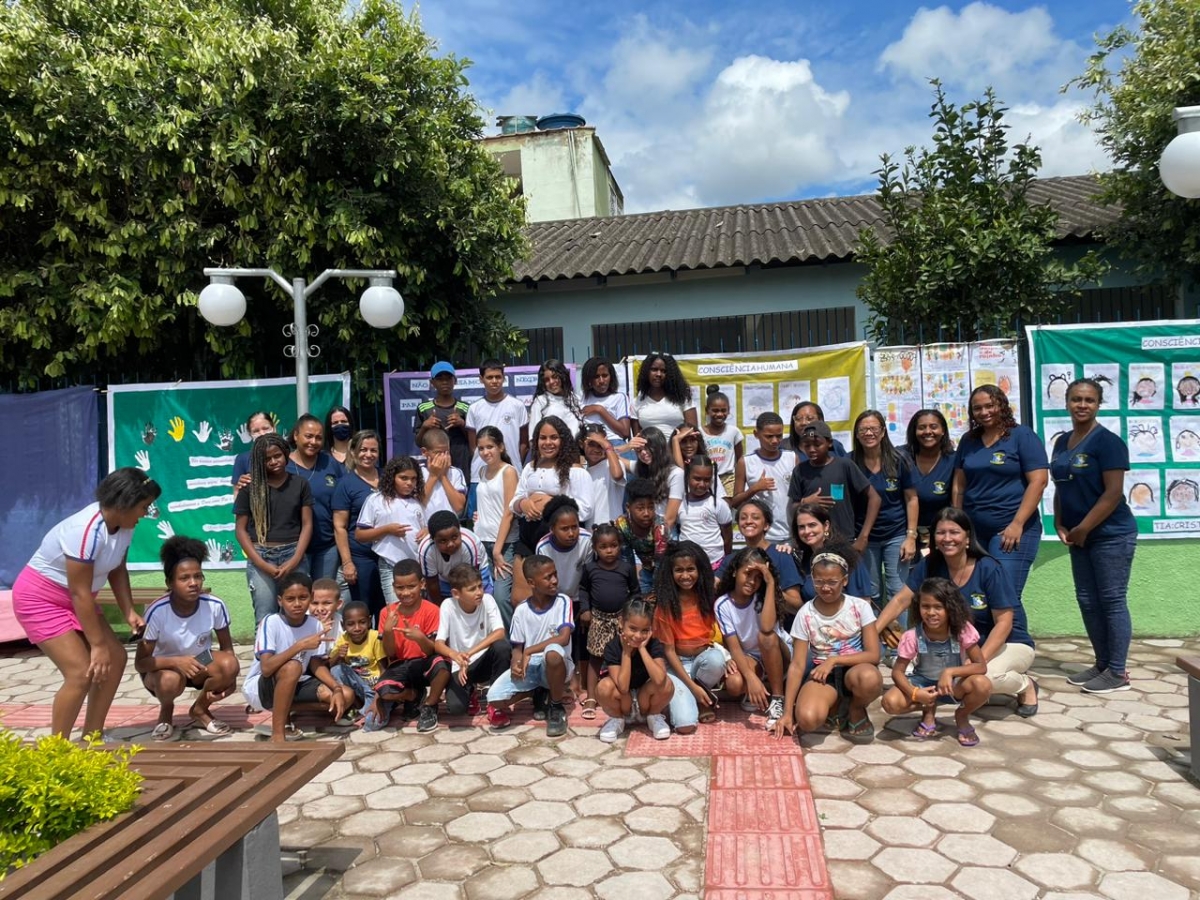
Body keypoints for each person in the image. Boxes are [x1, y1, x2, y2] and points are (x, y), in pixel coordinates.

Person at [12, 468, 160, 739]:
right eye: (143, 507)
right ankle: (57, 751)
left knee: (115, 659)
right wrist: (98, 646)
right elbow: (79, 593)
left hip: (77, 599)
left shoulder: (124, 526)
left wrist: (128, 610)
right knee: (81, 672)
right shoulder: (85, 531)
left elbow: (117, 568)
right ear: (124, 503)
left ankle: (93, 738)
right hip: (40, 599)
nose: (145, 513)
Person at [875, 507, 1039, 716]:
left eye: (954, 532)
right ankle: (940, 699)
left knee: (987, 677)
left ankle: (1025, 685)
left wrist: (978, 660)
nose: (947, 538)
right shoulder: (930, 564)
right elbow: (900, 600)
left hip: (1008, 643)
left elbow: (1004, 623)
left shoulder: (988, 568)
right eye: (941, 533)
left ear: (967, 537)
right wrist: (872, 633)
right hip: (958, 646)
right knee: (902, 698)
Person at [1051, 378, 1137, 694]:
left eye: (1089, 400)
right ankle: (1102, 664)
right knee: (1087, 600)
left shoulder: (1108, 442)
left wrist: (1085, 527)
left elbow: (1113, 493)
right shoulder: (1062, 443)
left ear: (1098, 404)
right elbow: (1060, 486)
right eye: (1076, 399)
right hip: (1078, 536)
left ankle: (1117, 672)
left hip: (1112, 534)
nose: (1082, 405)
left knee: (1111, 600)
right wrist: (1060, 524)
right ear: (1067, 403)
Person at [772, 552, 882, 744]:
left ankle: (856, 708)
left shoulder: (859, 607)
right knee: (807, 719)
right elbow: (797, 665)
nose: (825, 587)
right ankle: (835, 704)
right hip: (822, 675)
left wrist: (834, 660)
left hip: (855, 668)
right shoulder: (805, 613)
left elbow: (873, 655)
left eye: (832, 582)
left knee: (870, 679)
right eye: (819, 581)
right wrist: (787, 712)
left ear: (845, 580)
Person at [136, 536, 238, 741]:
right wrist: (177, 661)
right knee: (170, 680)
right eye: (184, 578)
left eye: (198, 576)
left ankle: (200, 709)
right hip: (165, 669)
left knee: (229, 664)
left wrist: (231, 680)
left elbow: (227, 650)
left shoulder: (215, 605)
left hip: (200, 662)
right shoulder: (157, 611)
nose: (193, 583)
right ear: (170, 583)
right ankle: (165, 714)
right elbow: (141, 663)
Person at [952, 384, 1048, 600]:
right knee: (980, 595)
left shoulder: (1021, 435)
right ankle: (990, 636)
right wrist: (959, 524)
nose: (984, 412)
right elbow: (959, 485)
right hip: (976, 534)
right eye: (978, 408)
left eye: (990, 406)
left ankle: (1017, 636)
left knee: (1004, 595)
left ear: (1002, 406)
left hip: (1011, 531)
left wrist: (1017, 524)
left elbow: (1039, 481)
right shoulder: (969, 440)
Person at [242, 572, 354, 741]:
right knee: (293, 666)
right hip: (261, 688)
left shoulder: (314, 624)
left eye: (303, 598)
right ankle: (278, 734)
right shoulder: (271, 622)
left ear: (310, 598)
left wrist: (336, 688)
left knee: (346, 695)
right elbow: (266, 668)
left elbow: (316, 663)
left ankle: (286, 711)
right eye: (290, 599)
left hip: (296, 681)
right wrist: (299, 646)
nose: (297, 604)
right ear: (280, 601)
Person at [881, 577, 990, 747]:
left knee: (982, 685)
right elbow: (897, 672)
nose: (931, 612)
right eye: (925, 606)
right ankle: (928, 710)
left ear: (951, 608)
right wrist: (915, 693)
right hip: (923, 684)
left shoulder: (962, 630)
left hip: (953, 686)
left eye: (938, 607)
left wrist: (950, 672)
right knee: (890, 702)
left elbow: (981, 666)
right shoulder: (913, 636)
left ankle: (961, 716)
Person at [486, 555, 574, 737]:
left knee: (552, 653)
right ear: (531, 582)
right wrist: (516, 664)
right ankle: (537, 692)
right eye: (548, 577)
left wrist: (530, 650)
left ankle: (556, 708)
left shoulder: (563, 601)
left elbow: (564, 638)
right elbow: (517, 648)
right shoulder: (521, 610)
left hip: (556, 664)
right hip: (531, 666)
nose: (554, 580)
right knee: (494, 698)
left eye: (555, 575)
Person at [234, 434, 313, 623]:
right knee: (265, 618)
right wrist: (262, 564)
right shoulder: (250, 488)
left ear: (285, 454)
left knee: (299, 615)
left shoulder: (300, 484)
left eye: (277, 456)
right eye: (267, 459)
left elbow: (307, 524)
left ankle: (299, 653)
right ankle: (264, 653)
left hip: (294, 554)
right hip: (261, 556)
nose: (273, 461)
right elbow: (240, 530)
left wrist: (295, 560)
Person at [715, 548, 790, 729]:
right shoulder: (722, 605)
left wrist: (770, 584)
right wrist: (751, 678)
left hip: (780, 653)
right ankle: (757, 690)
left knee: (765, 637)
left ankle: (777, 699)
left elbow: (766, 629)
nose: (752, 581)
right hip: (753, 657)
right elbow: (734, 648)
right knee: (734, 684)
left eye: (758, 577)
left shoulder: (762, 596)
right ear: (734, 572)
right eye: (748, 574)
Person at [653, 541, 723, 734]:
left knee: (717, 660)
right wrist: (692, 686)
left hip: (703, 659)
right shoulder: (665, 605)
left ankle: (702, 697)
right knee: (685, 726)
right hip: (676, 663)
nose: (685, 576)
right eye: (679, 570)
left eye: (691, 569)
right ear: (670, 573)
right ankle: (695, 694)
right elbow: (668, 651)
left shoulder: (707, 595)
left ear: (699, 569)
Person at [430, 563, 512, 726]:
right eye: (472, 589)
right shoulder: (448, 606)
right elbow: (438, 644)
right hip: (460, 666)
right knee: (456, 708)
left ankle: (495, 703)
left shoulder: (488, 600)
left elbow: (499, 632)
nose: (479, 592)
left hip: (482, 661)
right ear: (456, 593)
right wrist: (457, 656)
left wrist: (469, 653)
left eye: (480, 586)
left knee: (502, 647)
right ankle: (471, 691)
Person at [851, 410, 918, 606]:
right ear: (856, 434)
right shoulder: (850, 462)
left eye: (873, 428)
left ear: (882, 432)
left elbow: (911, 498)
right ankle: (875, 636)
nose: (868, 433)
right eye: (863, 429)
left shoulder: (900, 459)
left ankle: (903, 637)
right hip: (864, 537)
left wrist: (911, 536)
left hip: (896, 534)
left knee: (898, 590)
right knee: (870, 593)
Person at [376, 560, 450, 733]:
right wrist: (387, 631)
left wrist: (420, 638)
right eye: (400, 588)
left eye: (411, 586)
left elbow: (432, 650)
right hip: (401, 664)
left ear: (422, 584)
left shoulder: (431, 610)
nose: (406, 592)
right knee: (384, 690)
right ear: (393, 587)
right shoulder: (386, 613)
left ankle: (430, 706)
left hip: (425, 662)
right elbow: (390, 653)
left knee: (442, 666)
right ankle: (413, 695)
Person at [579, 523, 640, 721]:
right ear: (595, 548)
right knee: (595, 658)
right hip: (599, 619)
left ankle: (626, 691)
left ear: (619, 545)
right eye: (603, 547)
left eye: (613, 546)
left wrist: (630, 616)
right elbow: (583, 590)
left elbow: (635, 592)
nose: (609, 551)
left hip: (621, 621)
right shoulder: (590, 569)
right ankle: (590, 696)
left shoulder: (626, 568)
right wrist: (585, 610)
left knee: (625, 656)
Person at [789, 421, 880, 555]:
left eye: (817, 444)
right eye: (807, 446)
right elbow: (793, 508)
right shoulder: (800, 471)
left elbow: (875, 499)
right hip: (813, 543)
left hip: (844, 541)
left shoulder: (845, 465)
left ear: (829, 443)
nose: (812, 449)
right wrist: (806, 502)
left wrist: (863, 537)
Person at [511, 415, 594, 556]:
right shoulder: (530, 468)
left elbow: (586, 509)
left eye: (554, 437)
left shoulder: (574, 471)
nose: (548, 442)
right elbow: (514, 501)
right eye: (543, 438)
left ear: (563, 440)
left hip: (558, 540)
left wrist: (553, 504)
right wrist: (522, 504)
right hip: (527, 533)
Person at [596, 597, 673, 743]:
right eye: (633, 629)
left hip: (646, 698)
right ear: (621, 622)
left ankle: (653, 716)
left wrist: (642, 649)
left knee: (667, 683)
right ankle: (617, 719)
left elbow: (659, 680)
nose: (638, 636)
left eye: (645, 630)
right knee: (604, 686)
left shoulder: (653, 644)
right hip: (624, 700)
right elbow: (623, 688)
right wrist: (626, 653)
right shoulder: (613, 647)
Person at [355, 455, 426, 610]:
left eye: (413, 479)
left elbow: (426, 528)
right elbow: (360, 535)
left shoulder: (417, 502)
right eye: (403, 478)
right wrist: (387, 529)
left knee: (417, 610)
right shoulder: (376, 500)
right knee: (396, 609)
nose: (409, 483)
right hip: (390, 564)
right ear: (392, 477)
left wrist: (427, 531)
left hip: (416, 565)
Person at [332, 429, 383, 614]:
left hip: (387, 557)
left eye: (373, 450)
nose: (368, 455)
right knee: (364, 610)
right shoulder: (346, 484)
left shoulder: (388, 478)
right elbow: (340, 526)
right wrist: (347, 563)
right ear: (353, 452)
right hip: (361, 558)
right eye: (363, 450)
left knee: (387, 611)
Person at [472, 425, 519, 626]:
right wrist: (478, 516)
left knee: (501, 598)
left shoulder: (509, 472)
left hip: (504, 544)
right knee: (486, 598)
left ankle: (512, 646)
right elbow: (487, 502)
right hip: (483, 541)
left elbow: (509, 512)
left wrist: (498, 550)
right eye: (481, 448)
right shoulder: (481, 471)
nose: (485, 452)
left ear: (501, 447)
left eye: (490, 447)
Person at [783, 503, 872, 608]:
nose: (807, 531)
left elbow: (863, 603)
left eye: (812, 525)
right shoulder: (802, 559)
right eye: (801, 527)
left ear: (826, 526)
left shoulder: (847, 557)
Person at [287, 414, 343, 580]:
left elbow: (343, 498)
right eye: (308, 436)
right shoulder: (282, 465)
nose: (313, 442)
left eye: (319, 438)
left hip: (327, 547)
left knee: (323, 599)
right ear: (296, 436)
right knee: (297, 600)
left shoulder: (329, 462)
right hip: (293, 548)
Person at [732, 412, 795, 543]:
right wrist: (754, 489)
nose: (775, 441)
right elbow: (735, 502)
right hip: (761, 537)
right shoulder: (746, 462)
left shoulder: (792, 458)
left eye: (779, 436)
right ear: (756, 434)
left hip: (790, 535)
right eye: (769, 436)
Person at [466, 359, 529, 484]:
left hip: (512, 473)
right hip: (480, 476)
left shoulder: (517, 406)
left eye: (498, 377)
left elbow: (524, 444)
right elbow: (473, 446)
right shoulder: (474, 408)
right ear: (481, 379)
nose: (494, 381)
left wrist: (514, 463)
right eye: (489, 377)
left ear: (503, 378)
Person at [328, 600, 387, 729]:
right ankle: (356, 705)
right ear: (343, 625)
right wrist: (338, 655)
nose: (357, 628)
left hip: (375, 689)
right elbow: (329, 666)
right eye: (350, 624)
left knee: (372, 724)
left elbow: (385, 669)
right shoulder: (343, 639)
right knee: (337, 669)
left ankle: (367, 710)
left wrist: (378, 698)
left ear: (370, 621)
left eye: (362, 622)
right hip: (358, 686)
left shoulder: (375, 637)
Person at [903, 409, 956, 549]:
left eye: (933, 426)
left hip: (941, 536)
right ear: (914, 431)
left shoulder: (953, 460)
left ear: (943, 430)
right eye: (921, 427)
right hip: (904, 535)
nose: (927, 431)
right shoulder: (901, 456)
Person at [418, 510, 492, 606]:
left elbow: (471, 580)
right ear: (433, 539)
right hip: (443, 579)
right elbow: (432, 585)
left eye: (454, 537)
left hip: (475, 574)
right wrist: (441, 609)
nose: (450, 544)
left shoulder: (469, 545)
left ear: (460, 532)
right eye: (443, 541)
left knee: (482, 604)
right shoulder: (426, 550)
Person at [414, 361, 472, 480]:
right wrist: (425, 427)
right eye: (440, 379)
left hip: (461, 461)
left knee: (460, 496)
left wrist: (462, 424)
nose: (444, 382)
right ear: (432, 383)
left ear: (455, 381)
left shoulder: (465, 407)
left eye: (448, 378)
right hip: (434, 464)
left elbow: (473, 441)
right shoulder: (424, 408)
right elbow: (419, 442)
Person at [676, 453, 733, 567]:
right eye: (697, 479)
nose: (702, 484)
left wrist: (725, 565)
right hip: (688, 564)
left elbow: (727, 538)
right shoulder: (679, 503)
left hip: (715, 563)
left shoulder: (718, 504)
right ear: (687, 476)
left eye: (707, 480)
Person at [614, 477, 669, 594]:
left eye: (650, 507)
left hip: (665, 572)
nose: (646, 513)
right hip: (646, 571)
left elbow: (661, 564)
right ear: (628, 507)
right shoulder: (622, 525)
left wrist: (655, 594)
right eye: (640, 508)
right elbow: (627, 560)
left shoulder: (660, 527)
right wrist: (633, 590)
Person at [630, 427, 683, 534]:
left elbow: (670, 519)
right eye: (639, 450)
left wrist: (657, 541)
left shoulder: (676, 473)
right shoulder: (641, 468)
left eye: (648, 448)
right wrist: (627, 446)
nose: (643, 453)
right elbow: (615, 457)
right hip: (644, 532)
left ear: (659, 447)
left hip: (665, 534)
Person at [630, 352, 697, 435]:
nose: (659, 374)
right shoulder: (637, 402)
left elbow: (692, 431)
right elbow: (637, 438)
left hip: (677, 447)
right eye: (654, 369)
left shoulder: (683, 398)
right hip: (649, 447)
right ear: (646, 372)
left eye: (663, 371)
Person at [581, 424, 626, 526]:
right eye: (592, 444)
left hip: (613, 530)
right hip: (591, 532)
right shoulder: (583, 472)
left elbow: (617, 475)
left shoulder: (612, 464)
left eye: (600, 445)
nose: (596, 449)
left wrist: (607, 447)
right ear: (582, 444)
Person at [701, 388, 743, 497]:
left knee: (730, 506)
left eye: (723, 410)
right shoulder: (700, 433)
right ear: (707, 410)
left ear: (729, 410)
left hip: (728, 478)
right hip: (707, 478)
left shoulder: (734, 431)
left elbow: (739, 459)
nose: (719, 414)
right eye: (715, 410)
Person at [528, 358, 584, 438]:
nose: (551, 382)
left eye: (555, 377)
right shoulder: (540, 402)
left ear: (563, 376)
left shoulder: (575, 399)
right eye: (547, 380)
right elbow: (533, 437)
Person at [420, 427, 467, 518]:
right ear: (424, 452)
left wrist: (443, 476)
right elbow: (418, 504)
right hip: (424, 526)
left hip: (449, 526)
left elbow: (459, 506)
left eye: (446, 452)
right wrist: (433, 476)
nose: (443, 456)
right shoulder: (418, 472)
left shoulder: (455, 473)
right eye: (438, 452)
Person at [580, 356, 631, 441]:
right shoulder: (583, 398)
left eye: (605, 375)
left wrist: (600, 410)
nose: (601, 381)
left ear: (611, 377)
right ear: (588, 379)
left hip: (614, 442)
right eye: (596, 377)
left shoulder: (619, 397)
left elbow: (625, 432)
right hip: (590, 444)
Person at [231, 411, 276, 495]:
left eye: (265, 428)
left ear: (273, 428)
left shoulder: (288, 456)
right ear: (250, 434)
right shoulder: (242, 459)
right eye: (256, 431)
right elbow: (237, 492)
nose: (262, 434)